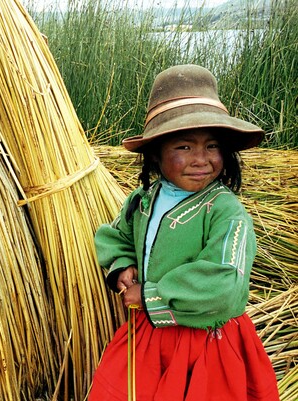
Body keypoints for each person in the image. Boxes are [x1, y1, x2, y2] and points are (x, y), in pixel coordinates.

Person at [88, 64, 280, 401]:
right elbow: (115, 235)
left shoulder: (225, 212)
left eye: (212, 147)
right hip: (150, 337)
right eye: (184, 147)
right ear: (156, 153)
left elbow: (225, 283)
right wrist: (121, 265)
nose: (200, 160)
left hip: (205, 342)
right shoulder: (144, 200)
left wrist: (150, 297)